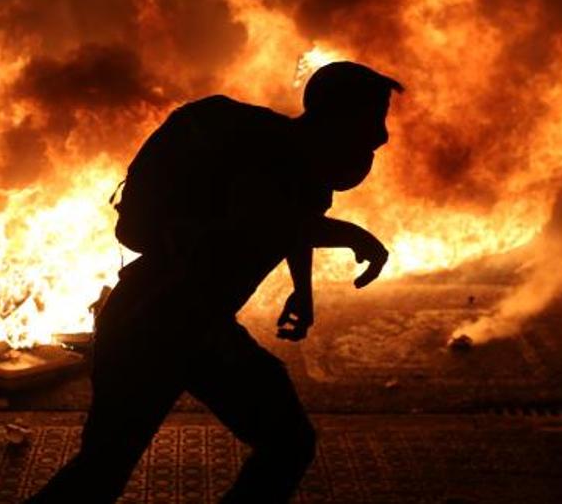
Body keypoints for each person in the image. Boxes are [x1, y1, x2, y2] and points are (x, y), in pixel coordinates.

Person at [28, 61, 403, 503]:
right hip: (154, 324)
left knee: (286, 443)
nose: (380, 135)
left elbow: (292, 222)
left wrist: (302, 290)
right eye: (372, 119)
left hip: (191, 327)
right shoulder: (269, 156)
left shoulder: (301, 168)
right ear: (335, 117)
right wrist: (353, 236)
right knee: (102, 473)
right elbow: (268, 219)